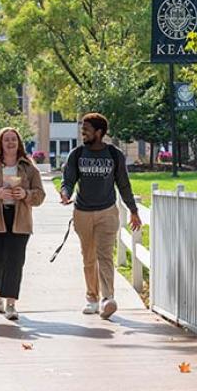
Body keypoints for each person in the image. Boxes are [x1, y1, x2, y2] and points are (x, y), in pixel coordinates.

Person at [60, 113, 141, 320]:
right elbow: (68, 180)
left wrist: (133, 210)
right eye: (82, 130)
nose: (83, 133)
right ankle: (92, 298)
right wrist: (65, 193)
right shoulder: (77, 154)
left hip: (107, 211)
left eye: (86, 129)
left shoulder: (114, 154)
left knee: (104, 255)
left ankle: (108, 299)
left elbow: (123, 184)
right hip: (82, 212)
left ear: (99, 132)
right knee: (89, 257)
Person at [0, 127, 45, 320]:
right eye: (7, 139)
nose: (11, 142)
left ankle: (11, 303)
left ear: (19, 143)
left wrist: (26, 194)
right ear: (0, 143)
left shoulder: (28, 167)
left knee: (15, 261)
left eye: (14, 139)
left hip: (19, 219)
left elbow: (40, 196)